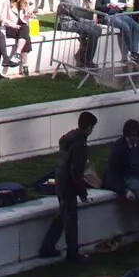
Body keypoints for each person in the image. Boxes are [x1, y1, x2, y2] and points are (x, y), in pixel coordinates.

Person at [37, 110, 98, 265]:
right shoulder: (80, 145)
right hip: (68, 185)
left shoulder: (69, 137)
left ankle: (47, 247)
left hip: (60, 179)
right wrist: (83, 193)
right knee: (70, 219)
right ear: (89, 127)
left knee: (62, 215)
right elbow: (76, 172)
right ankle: (73, 254)